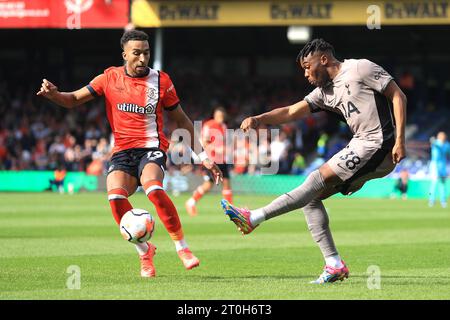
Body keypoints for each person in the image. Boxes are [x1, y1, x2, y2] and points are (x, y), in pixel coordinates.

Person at [37, 30, 223, 278]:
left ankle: (182, 248)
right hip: (123, 152)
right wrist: (54, 95)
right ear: (125, 54)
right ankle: (144, 251)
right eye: (136, 53)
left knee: (154, 189)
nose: (142, 59)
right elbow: (72, 100)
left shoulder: (161, 81)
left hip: (152, 148)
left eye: (146, 53)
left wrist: (204, 157)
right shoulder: (109, 78)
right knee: (114, 198)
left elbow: (182, 120)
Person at [221, 39, 407, 284]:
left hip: (378, 143)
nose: (306, 74)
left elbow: (397, 95)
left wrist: (400, 140)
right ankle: (334, 264)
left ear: (324, 59)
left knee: (314, 179)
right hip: (362, 147)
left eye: (307, 67)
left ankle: (253, 218)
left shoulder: (360, 68)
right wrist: (259, 119)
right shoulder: (324, 92)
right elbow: (290, 111)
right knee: (311, 199)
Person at [186, 107, 233, 216]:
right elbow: (204, 142)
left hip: (222, 159)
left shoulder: (224, 127)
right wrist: (216, 149)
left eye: (222, 117)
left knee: (221, 184)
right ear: (215, 116)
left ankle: (230, 209)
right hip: (211, 160)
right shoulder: (209, 125)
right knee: (214, 184)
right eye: (219, 116)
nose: (220, 119)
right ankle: (191, 202)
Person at [428, 131, 450, 208]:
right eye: (441, 136)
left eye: (444, 136)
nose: (443, 138)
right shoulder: (436, 143)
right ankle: (431, 200)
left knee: (442, 184)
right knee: (434, 183)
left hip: (443, 165)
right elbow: (433, 143)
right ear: (439, 137)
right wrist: (432, 140)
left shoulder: (447, 144)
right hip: (435, 165)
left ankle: (443, 201)